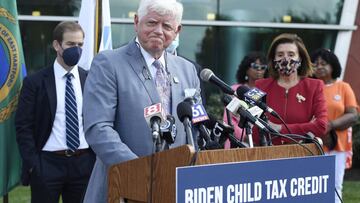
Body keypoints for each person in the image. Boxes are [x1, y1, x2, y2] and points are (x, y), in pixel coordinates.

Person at [82, 0, 200, 202]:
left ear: (177, 30)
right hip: (122, 186)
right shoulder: (108, 63)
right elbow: (98, 128)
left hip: (175, 187)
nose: (158, 31)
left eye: (167, 26)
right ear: (136, 22)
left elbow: (195, 125)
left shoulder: (187, 69)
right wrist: (141, 171)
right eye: (152, 23)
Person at [15, 21, 95, 203]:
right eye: (70, 44)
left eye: (80, 45)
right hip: (47, 164)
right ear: (57, 45)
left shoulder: (90, 79)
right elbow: (23, 125)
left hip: (83, 164)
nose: (77, 49)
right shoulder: (34, 82)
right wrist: (34, 164)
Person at [254, 33, 328, 145]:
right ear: (273, 60)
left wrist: (279, 128)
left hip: (302, 154)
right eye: (280, 55)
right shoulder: (260, 86)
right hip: (267, 154)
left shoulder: (315, 86)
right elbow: (255, 126)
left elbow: (321, 125)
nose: (285, 59)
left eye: (291, 54)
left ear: (300, 59)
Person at [311, 48, 358, 203]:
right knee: (313, 186)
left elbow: (353, 115)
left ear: (333, 66)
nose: (319, 67)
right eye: (315, 64)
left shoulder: (343, 87)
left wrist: (330, 125)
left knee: (334, 185)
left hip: (337, 144)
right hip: (312, 143)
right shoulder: (309, 87)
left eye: (323, 63)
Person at [223, 52, 267, 148]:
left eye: (263, 67)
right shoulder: (235, 90)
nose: (259, 70)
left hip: (263, 143)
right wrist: (247, 136)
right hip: (237, 143)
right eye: (255, 66)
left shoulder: (265, 92)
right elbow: (228, 120)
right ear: (246, 69)